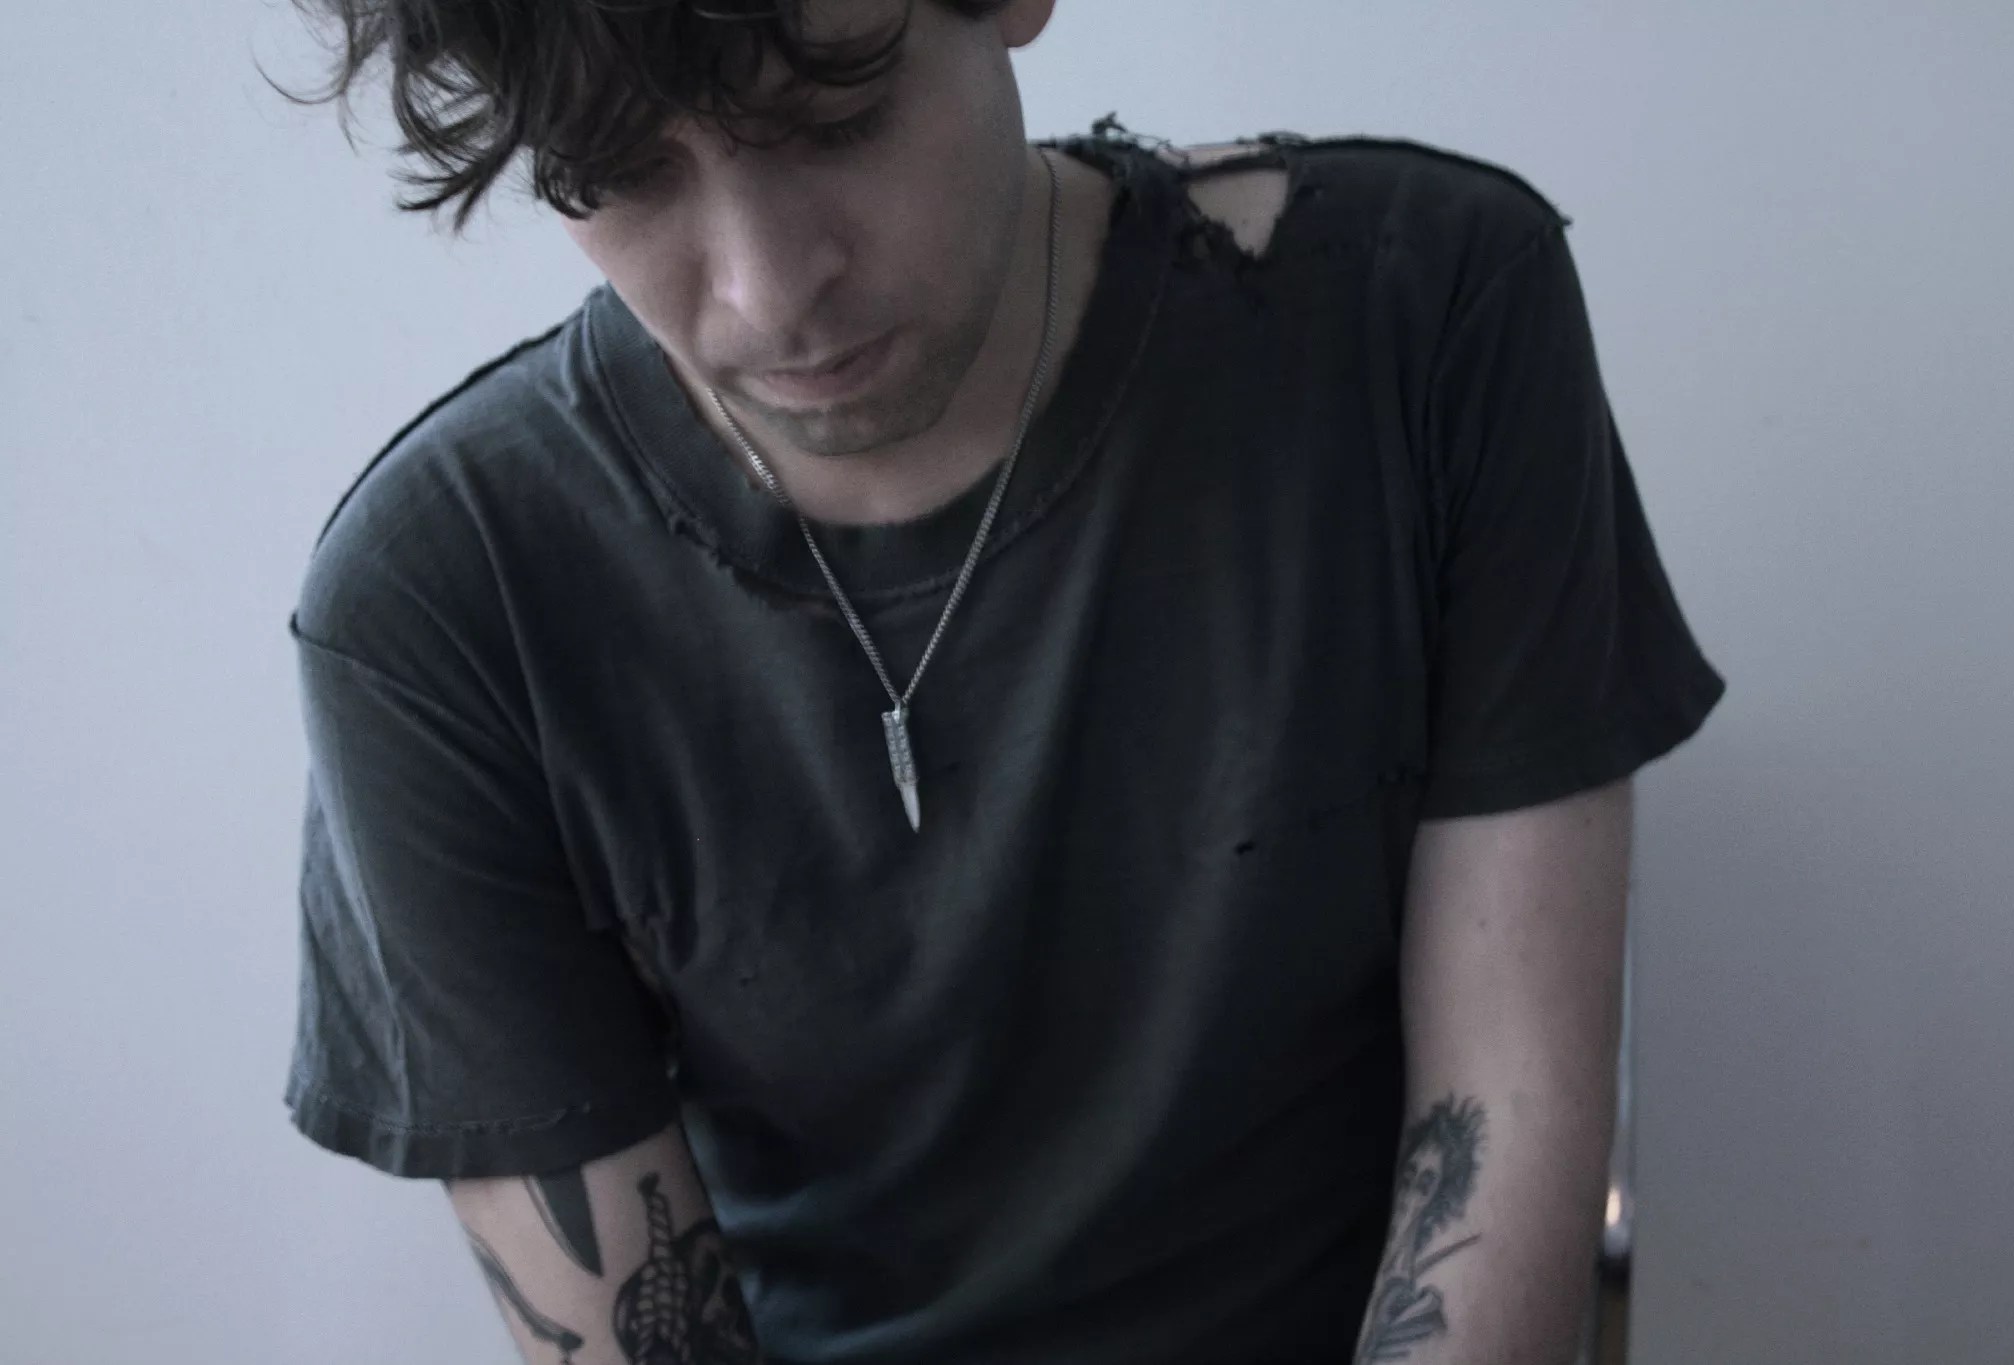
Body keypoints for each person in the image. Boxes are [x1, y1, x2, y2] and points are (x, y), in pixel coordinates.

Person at [275, 1, 1725, 1361]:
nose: (769, 294)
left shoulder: (1421, 310)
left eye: (835, 120)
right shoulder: (440, 607)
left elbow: (1504, 1115)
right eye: (618, 173)